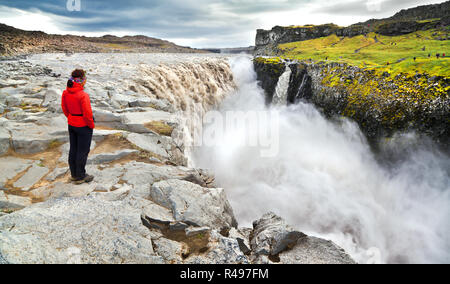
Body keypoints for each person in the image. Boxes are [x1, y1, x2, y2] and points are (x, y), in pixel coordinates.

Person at [61, 69, 95, 184]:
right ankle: (81, 176)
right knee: (83, 151)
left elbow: (64, 109)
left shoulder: (66, 92)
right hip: (83, 125)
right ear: (82, 80)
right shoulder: (83, 95)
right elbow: (88, 114)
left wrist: (71, 117)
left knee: (73, 149)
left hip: (72, 123)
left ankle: (74, 174)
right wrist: (91, 125)